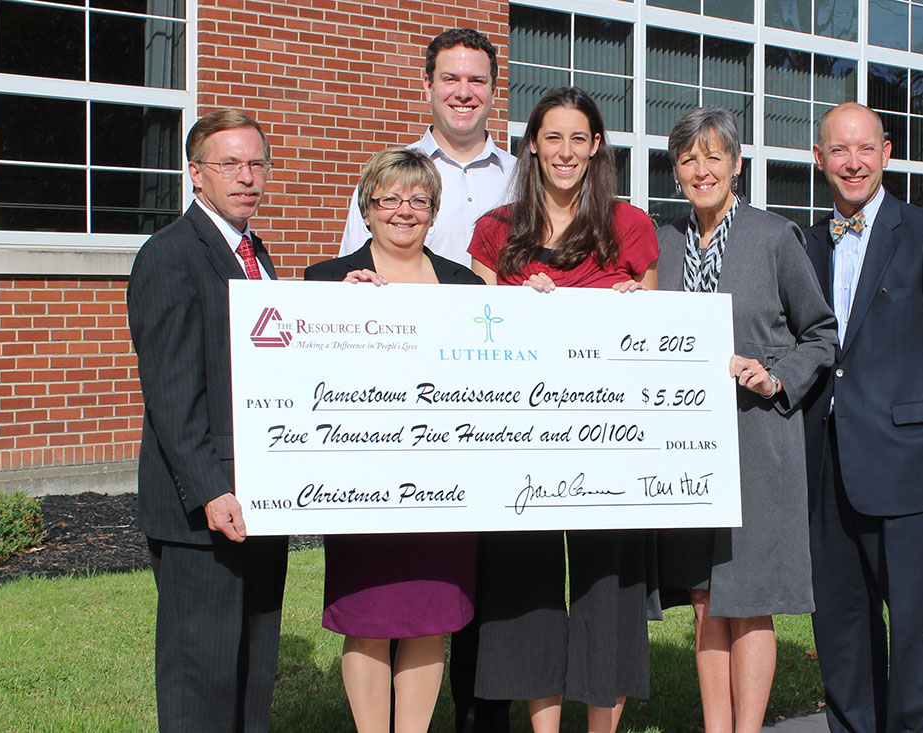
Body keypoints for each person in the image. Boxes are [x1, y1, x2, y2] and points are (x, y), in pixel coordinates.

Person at [467, 86, 658, 733]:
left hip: (610, 447)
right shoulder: (495, 230)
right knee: (529, 592)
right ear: (532, 145)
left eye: (579, 137)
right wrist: (522, 310)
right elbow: (476, 337)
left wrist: (638, 305)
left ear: (597, 146)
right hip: (523, 448)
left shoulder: (630, 226)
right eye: (553, 137)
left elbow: (656, 346)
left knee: (609, 591)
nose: (566, 150)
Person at [803, 102, 923, 732]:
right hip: (827, 472)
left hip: (911, 473)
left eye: (864, 150)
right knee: (842, 634)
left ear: (886, 154)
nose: (852, 163)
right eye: (838, 150)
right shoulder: (808, 244)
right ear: (819, 158)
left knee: (916, 638)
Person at [651, 106, 837, 732]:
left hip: (759, 439)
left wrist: (775, 375)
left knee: (751, 600)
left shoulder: (774, 237)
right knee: (705, 598)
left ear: (736, 163)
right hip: (687, 450)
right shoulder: (664, 243)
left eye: (713, 156)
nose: (700, 169)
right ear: (674, 171)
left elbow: (820, 334)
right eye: (687, 158)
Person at [304, 148, 483, 733]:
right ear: (368, 207)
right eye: (389, 199)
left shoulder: (463, 285)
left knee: (430, 616)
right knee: (369, 615)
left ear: (433, 212)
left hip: (442, 483)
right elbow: (301, 380)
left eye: (418, 200)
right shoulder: (325, 281)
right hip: (362, 484)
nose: (403, 211)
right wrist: (338, 313)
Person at [127, 109, 289, 732]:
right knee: (202, 672)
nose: (246, 177)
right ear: (196, 174)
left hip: (260, 501)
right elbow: (171, 393)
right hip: (203, 509)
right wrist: (211, 488)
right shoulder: (170, 255)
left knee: (253, 668)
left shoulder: (254, 254)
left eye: (256, 164)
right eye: (230, 165)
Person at [339, 27, 515, 267]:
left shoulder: (523, 179)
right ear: (427, 86)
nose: (463, 93)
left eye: (476, 81)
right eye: (450, 79)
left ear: (494, 92)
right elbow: (352, 272)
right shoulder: (384, 178)